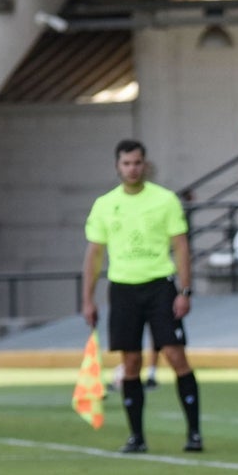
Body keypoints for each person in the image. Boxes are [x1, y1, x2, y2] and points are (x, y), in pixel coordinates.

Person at [81, 139, 202, 454]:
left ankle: (194, 433)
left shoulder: (164, 200)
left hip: (160, 286)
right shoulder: (105, 205)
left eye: (137, 163)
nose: (132, 169)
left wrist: (185, 290)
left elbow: (181, 246)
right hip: (123, 288)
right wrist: (88, 298)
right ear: (117, 166)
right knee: (131, 361)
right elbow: (94, 255)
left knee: (176, 356)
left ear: (145, 165)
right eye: (126, 163)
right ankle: (137, 437)